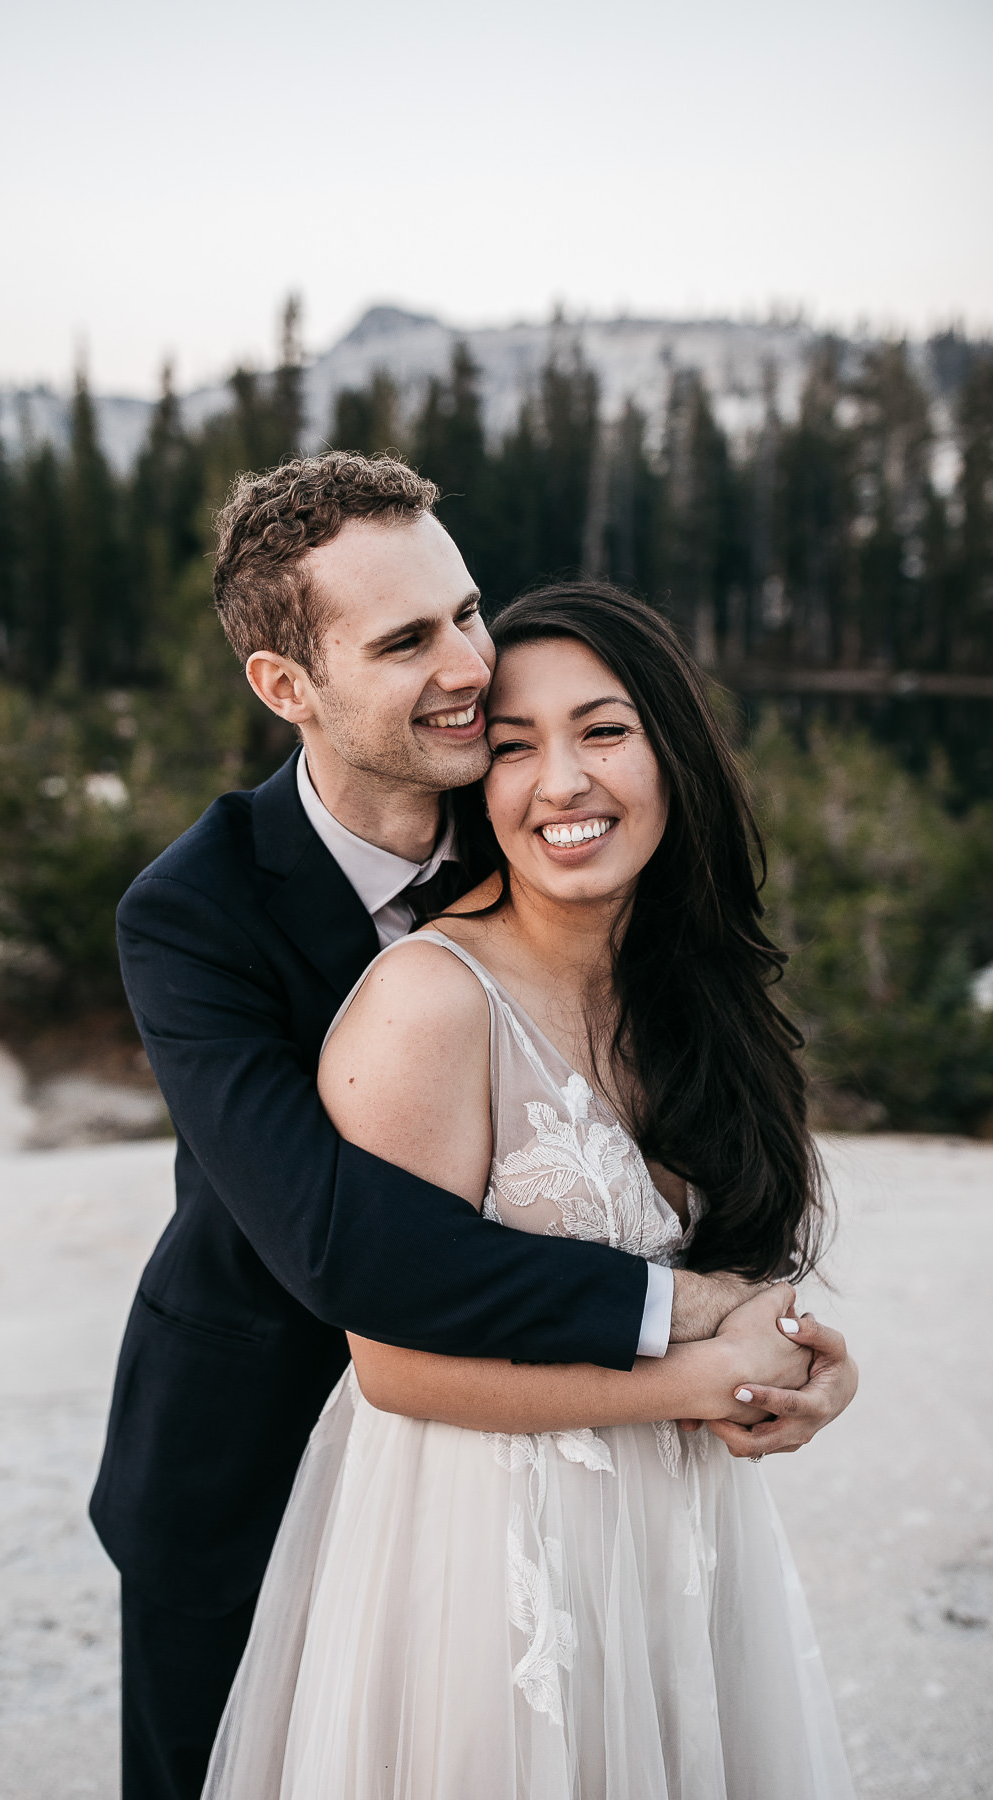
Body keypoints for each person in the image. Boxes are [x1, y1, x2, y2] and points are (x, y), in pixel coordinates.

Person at [89, 455, 856, 1798]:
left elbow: (662, 1129)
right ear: (285, 686)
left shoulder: (537, 813)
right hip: (248, 1450)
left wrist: (783, 1345)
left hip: (546, 1486)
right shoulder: (194, 915)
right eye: (405, 642)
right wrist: (692, 1318)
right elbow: (341, 1244)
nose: (469, 668)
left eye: (466, 611)